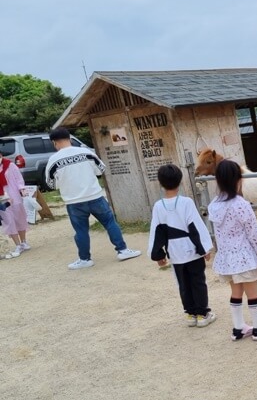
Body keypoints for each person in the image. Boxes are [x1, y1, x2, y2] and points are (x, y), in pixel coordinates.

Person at [45, 127, 141, 270]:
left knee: (81, 231)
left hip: (74, 202)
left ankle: (85, 259)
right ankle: (123, 250)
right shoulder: (85, 152)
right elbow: (101, 169)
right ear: (70, 139)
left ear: (54, 143)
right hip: (95, 196)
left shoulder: (53, 160)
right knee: (110, 222)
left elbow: (51, 183)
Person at [208, 159, 257, 341]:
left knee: (236, 292)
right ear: (238, 180)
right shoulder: (241, 204)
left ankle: (238, 329)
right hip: (244, 257)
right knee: (252, 292)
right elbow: (254, 233)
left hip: (227, 258)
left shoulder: (214, 206)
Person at [148, 164, 216, 328]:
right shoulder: (186, 202)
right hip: (191, 249)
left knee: (183, 283)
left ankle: (190, 314)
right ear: (180, 181)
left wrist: (158, 254)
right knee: (198, 281)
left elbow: (157, 231)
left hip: (174, 250)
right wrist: (204, 248)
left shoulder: (158, 206)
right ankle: (202, 314)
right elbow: (196, 226)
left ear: (161, 183)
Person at [0, 154, 30, 259]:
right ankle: (17, 245)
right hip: (2, 198)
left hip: (14, 195)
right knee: (8, 221)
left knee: (19, 218)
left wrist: (22, 189)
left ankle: (23, 242)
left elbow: (19, 178)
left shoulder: (10, 165)